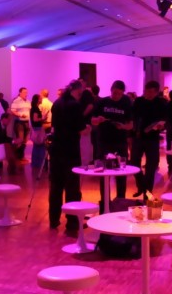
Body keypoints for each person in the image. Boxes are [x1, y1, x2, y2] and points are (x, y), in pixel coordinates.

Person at [48, 80, 88, 232]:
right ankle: (72, 223)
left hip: (56, 149)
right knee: (72, 188)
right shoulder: (75, 105)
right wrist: (89, 128)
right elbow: (81, 129)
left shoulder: (57, 103)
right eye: (81, 92)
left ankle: (53, 220)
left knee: (56, 187)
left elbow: (54, 126)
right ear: (77, 90)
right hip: (70, 150)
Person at [91, 80, 133, 207]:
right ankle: (105, 203)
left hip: (120, 142)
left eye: (120, 94)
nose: (117, 96)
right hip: (104, 141)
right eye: (115, 93)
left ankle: (120, 202)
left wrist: (123, 127)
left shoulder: (126, 104)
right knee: (103, 172)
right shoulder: (102, 102)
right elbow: (92, 120)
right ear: (111, 90)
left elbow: (130, 125)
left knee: (121, 173)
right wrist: (98, 120)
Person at [131, 81, 167, 197]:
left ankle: (147, 193)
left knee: (151, 167)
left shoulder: (161, 103)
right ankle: (141, 186)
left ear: (156, 92)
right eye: (146, 91)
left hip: (152, 138)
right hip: (138, 136)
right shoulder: (139, 101)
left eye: (151, 92)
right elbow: (133, 117)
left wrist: (161, 126)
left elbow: (165, 119)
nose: (148, 94)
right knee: (134, 163)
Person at [10, 87, 31, 162]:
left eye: (27, 92)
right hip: (19, 123)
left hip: (27, 122)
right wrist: (20, 115)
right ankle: (17, 156)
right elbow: (12, 111)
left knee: (25, 140)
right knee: (20, 139)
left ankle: (21, 156)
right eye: (24, 92)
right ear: (20, 93)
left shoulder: (28, 101)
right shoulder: (16, 101)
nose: (26, 94)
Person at [30, 94, 47, 178]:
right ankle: (40, 163)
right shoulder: (35, 109)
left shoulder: (33, 108)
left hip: (35, 128)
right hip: (38, 129)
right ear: (37, 100)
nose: (41, 99)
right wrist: (42, 118)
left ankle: (35, 163)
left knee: (36, 147)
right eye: (40, 98)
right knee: (40, 146)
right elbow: (35, 119)